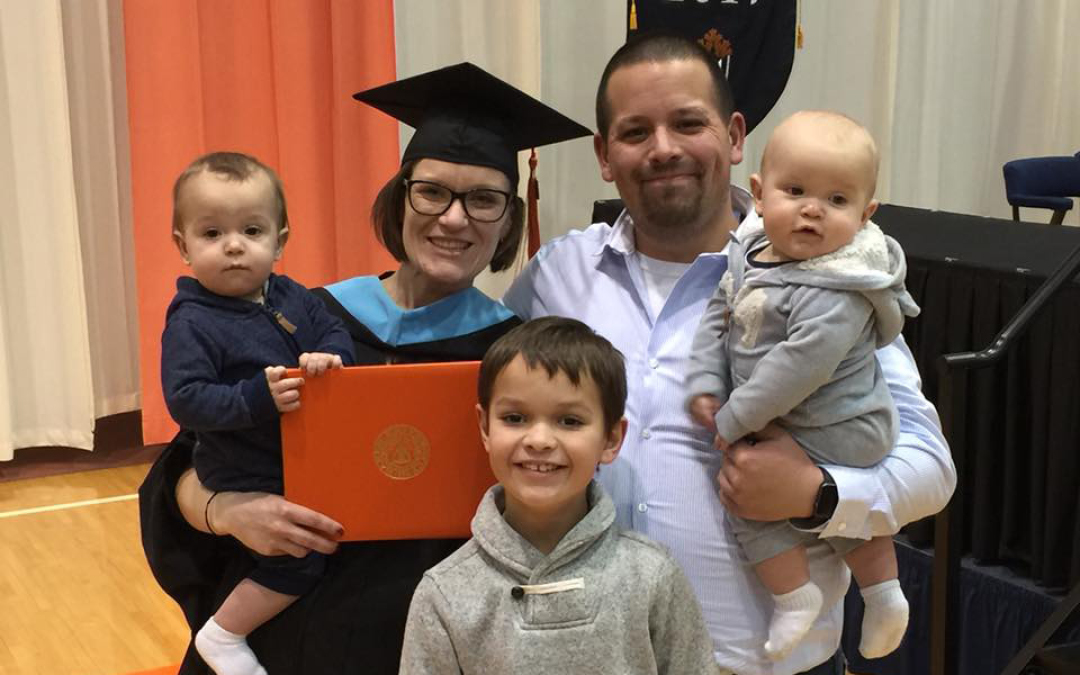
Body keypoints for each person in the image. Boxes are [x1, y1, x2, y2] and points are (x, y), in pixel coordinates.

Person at [503, 32, 955, 675]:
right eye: (635, 132)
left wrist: (818, 494)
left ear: (737, 136)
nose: (664, 149)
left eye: (689, 123)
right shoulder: (558, 276)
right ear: (604, 155)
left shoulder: (825, 275)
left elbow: (931, 468)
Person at [139, 63, 591, 675]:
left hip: (432, 641)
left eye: (484, 199)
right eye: (431, 191)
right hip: (285, 627)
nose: (454, 218)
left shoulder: (513, 355)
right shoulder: (300, 319)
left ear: (509, 218)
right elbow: (187, 464)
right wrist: (229, 512)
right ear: (399, 197)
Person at [685, 110, 918, 662]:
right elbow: (716, 318)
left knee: (750, 499)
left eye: (838, 201)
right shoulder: (750, 257)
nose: (813, 209)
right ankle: (880, 595)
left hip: (843, 426)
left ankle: (809, 596)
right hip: (794, 423)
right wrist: (702, 381)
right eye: (796, 191)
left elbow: (800, 365)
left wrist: (734, 418)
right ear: (761, 196)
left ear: (866, 215)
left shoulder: (839, 288)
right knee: (767, 491)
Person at [399, 317, 719, 675]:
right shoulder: (443, 592)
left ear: (612, 439)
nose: (539, 440)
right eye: (515, 417)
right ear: (485, 427)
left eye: (569, 421)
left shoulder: (652, 575)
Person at [162, 151, 356, 675]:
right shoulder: (193, 322)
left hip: (297, 455)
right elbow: (185, 398)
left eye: (251, 230)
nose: (233, 245)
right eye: (211, 234)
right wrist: (254, 398)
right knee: (297, 555)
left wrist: (332, 357)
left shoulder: (291, 295)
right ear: (183, 247)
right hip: (243, 466)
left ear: (280, 241)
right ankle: (224, 633)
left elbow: (335, 332)